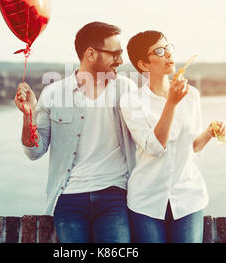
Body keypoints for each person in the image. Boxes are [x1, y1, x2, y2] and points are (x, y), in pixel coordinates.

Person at [14, 22, 137, 243]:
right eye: (115, 53)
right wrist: (28, 115)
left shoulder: (126, 89)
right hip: (68, 198)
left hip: (115, 195)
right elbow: (34, 151)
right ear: (90, 53)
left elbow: (150, 137)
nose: (120, 60)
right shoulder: (53, 93)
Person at [120, 30, 226, 243]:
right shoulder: (132, 101)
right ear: (143, 64)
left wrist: (208, 133)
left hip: (188, 196)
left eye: (169, 48)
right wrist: (171, 103)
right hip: (146, 200)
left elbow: (192, 148)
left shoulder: (192, 96)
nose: (168, 54)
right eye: (159, 51)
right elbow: (154, 147)